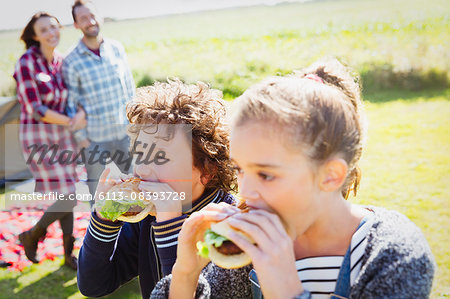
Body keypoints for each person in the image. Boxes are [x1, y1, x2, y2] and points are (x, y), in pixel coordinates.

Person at [151, 59, 436, 298]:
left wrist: (283, 284)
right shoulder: (245, 248)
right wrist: (186, 272)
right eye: (240, 169)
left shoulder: (392, 254)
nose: (246, 191)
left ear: (330, 176)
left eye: (266, 174)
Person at [77, 79, 238, 298]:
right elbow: (94, 285)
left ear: (207, 171)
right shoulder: (146, 217)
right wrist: (103, 217)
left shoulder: (229, 229)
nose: (142, 169)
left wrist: (170, 227)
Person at [14, 12, 86, 270]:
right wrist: (70, 121)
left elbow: (74, 98)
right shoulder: (26, 63)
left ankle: (68, 255)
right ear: (34, 35)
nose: (50, 33)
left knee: (65, 193)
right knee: (68, 196)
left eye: (53, 27)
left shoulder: (61, 61)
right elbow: (34, 108)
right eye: (44, 29)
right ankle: (33, 234)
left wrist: (79, 114)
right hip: (39, 137)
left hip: (64, 137)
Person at [62, 0, 135, 203]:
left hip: (123, 133)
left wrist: (136, 125)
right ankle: (98, 232)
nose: (90, 21)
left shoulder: (116, 49)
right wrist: (82, 139)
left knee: (138, 185)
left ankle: (141, 231)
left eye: (92, 15)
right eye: (83, 18)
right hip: (94, 139)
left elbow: (129, 89)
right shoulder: (71, 60)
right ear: (76, 24)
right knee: (97, 195)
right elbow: (70, 104)